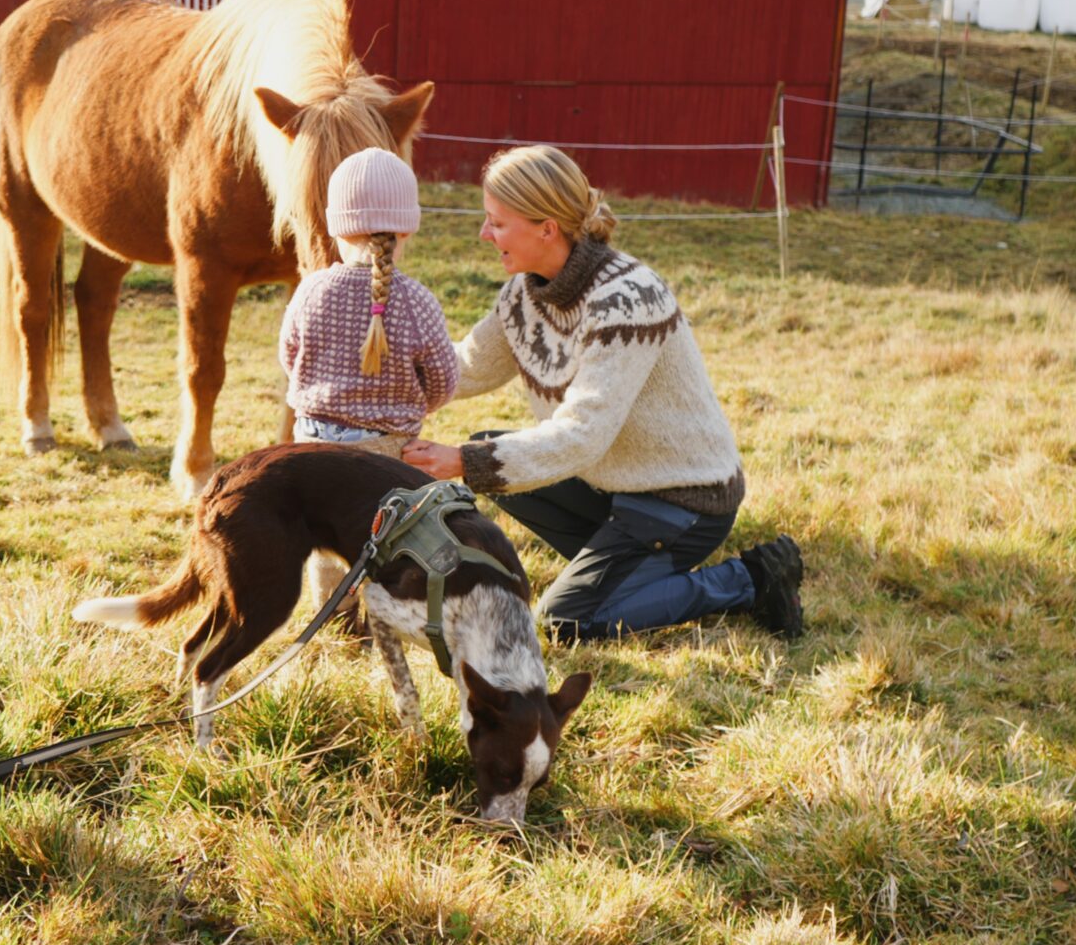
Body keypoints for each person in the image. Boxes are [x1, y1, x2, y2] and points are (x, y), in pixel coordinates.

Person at [402, 146, 805, 642]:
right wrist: (377, 391)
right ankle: (627, 573)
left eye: (496, 223)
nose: (484, 234)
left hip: (684, 498)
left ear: (546, 228)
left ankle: (752, 579)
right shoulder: (525, 294)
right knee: (493, 451)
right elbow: (463, 368)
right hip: (615, 485)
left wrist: (461, 460)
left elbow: (583, 433)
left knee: (568, 620)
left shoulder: (626, 299)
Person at [277, 147, 459, 461]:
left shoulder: (310, 291)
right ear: (406, 229)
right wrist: (403, 404)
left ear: (338, 229)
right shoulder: (418, 302)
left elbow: (290, 360)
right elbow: (442, 382)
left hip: (309, 446)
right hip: (386, 453)